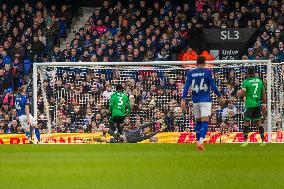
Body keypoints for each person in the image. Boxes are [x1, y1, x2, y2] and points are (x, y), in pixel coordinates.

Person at [181, 56, 225, 151]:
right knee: (205, 121)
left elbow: (186, 87)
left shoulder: (191, 73)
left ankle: (198, 141)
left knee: (198, 121)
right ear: (204, 63)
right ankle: (200, 142)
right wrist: (220, 96)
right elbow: (213, 86)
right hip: (205, 99)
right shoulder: (208, 72)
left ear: (196, 63)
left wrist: (183, 99)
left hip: (195, 100)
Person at [238, 67, 266, 147]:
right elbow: (263, 93)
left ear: (247, 74)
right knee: (258, 122)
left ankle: (246, 141)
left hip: (249, 104)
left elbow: (243, 91)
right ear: (254, 73)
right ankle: (263, 140)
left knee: (246, 122)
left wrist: (240, 96)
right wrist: (264, 104)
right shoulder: (260, 81)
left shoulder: (246, 81)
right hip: (257, 104)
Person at [88, 122, 166, 143]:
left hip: (122, 139)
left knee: (106, 134)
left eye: (148, 129)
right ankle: (93, 138)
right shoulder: (140, 129)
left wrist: (158, 131)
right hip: (121, 137)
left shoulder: (142, 138)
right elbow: (146, 125)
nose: (147, 129)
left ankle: (91, 138)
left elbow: (149, 136)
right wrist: (155, 122)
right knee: (106, 131)